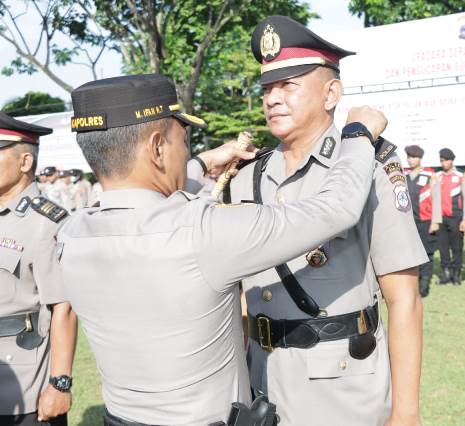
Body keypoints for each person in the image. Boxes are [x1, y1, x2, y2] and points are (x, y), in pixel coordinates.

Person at [57, 73, 387, 425]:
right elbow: (335, 209)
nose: (187, 152)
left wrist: (200, 163)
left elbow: (147, 198)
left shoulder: (70, 236)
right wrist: (357, 136)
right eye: (182, 141)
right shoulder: (203, 232)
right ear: (157, 148)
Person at [229, 16, 426, 426]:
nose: (272, 99)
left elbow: (403, 297)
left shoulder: (369, 166)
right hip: (262, 377)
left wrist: (406, 413)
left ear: (331, 93)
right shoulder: (247, 176)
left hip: (342, 385)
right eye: (267, 88)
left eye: (289, 85)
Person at [0, 112, 77, 425]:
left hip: (23, 373)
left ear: (25, 162)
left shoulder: (46, 222)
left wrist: (60, 383)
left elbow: (65, 307)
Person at [405, 145, 441, 297]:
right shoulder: (402, 174)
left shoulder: (430, 175)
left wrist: (435, 221)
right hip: (407, 222)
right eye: (409, 157)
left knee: (427, 253)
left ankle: (424, 285)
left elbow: (437, 198)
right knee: (409, 254)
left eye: (414, 157)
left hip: (426, 220)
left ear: (420, 159)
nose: (411, 160)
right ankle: (412, 284)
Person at [434, 148, 465, 285]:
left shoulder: (462, 175)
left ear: (452, 161)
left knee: (457, 248)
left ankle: (456, 274)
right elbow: (435, 199)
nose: (444, 163)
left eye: (446, 160)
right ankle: (446, 274)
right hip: (441, 218)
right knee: (443, 248)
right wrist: (435, 220)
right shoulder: (437, 176)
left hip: (456, 217)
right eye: (442, 160)